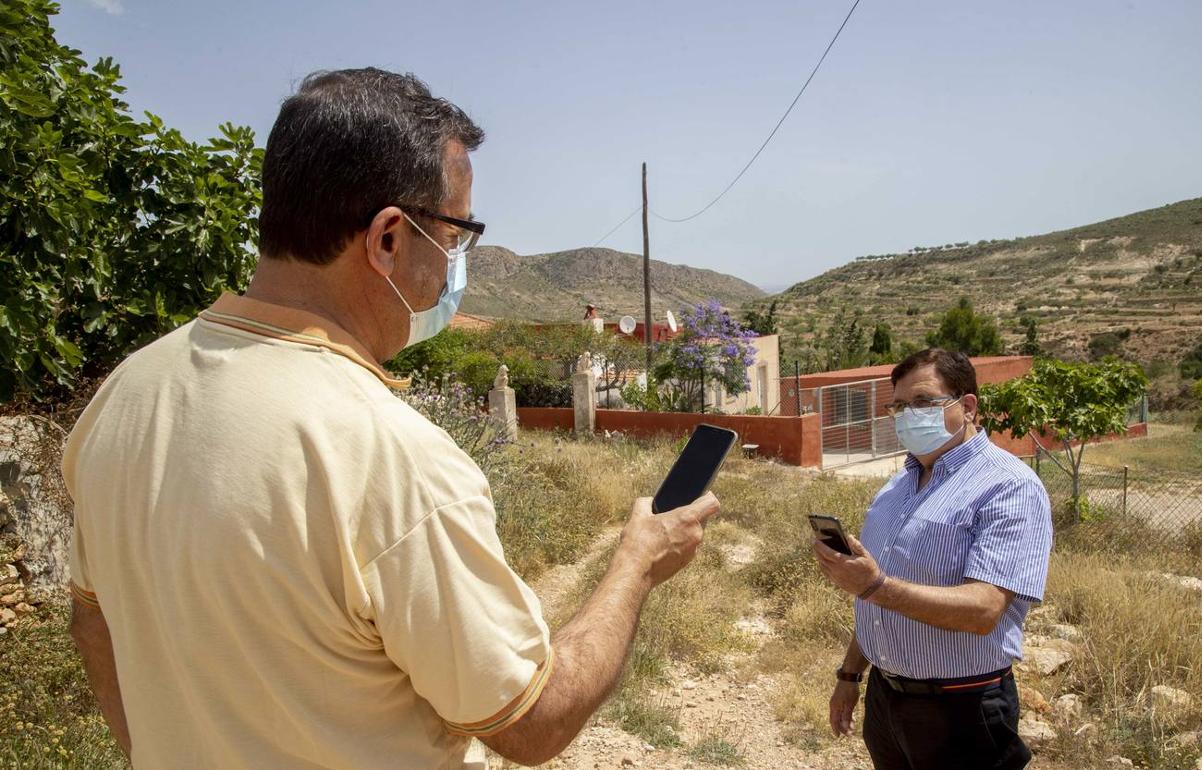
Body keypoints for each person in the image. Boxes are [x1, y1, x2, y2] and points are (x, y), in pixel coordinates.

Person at [65, 68, 719, 770]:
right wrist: (638, 564)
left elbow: (91, 618)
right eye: (458, 235)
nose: (454, 266)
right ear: (387, 240)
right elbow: (532, 723)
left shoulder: (122, 396)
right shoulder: (390, 455)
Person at [812, 349, 1052, 770]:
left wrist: (874, 585)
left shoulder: (1009, 486)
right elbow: (874, 601)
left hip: (963, 708)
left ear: (968, 406)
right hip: (886, 701)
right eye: (899, 406)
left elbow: (984, 609)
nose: (908, 415)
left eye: (923, 402)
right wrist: (850, 675)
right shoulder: (897, 486)